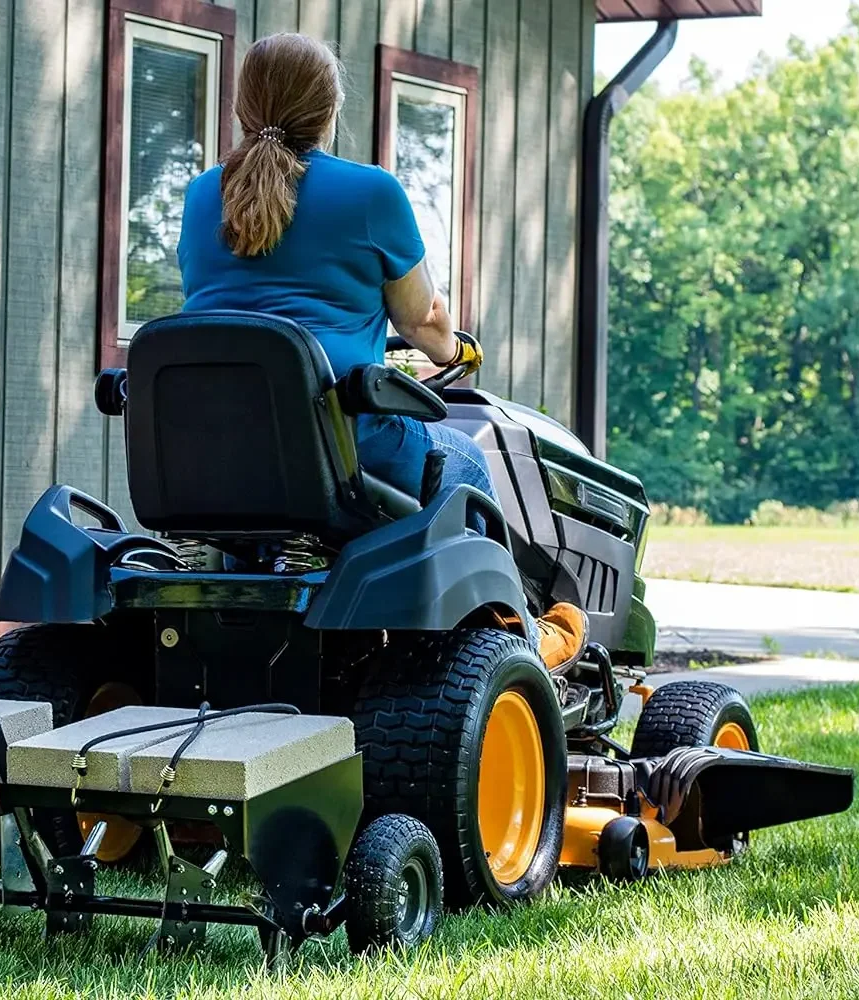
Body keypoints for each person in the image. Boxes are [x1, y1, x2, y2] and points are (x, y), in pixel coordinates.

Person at [176, 32, 587, 670]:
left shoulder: (202, 196)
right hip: (340, 448)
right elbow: (424, 322)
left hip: (216, 454)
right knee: (464, 467)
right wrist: (454, 346)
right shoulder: (372, 195)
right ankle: (517, 645)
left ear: (240, 109)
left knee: (267, 495)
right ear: (328, 113)